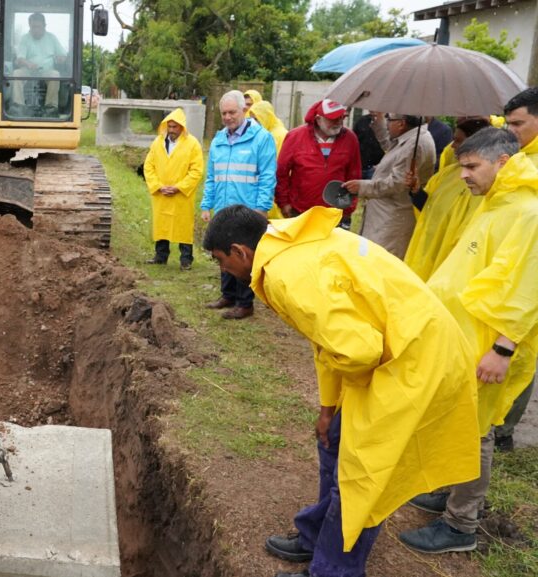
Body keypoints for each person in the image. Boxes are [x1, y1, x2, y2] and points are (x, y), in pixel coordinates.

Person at [202, 204, 479, 577]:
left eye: (221, 261)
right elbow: (328, 341)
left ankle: (333, 569)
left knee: (362, 474)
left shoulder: (288, 276)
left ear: (240, 251)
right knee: (333, 439)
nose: (223, 271)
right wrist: (329, 407)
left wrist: (352, 401)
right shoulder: (288, 244)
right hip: (396, 345)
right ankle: (317, 535)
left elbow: (357, 351)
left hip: (414, 361)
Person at [399, 127, 538, 554]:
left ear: (503, 162)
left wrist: (502, 349)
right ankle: (449, 488)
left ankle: (461, 524)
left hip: (487, 345)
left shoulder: (527, 212)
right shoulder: (497, 202)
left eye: (472, 167)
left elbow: (527, 288)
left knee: (476, 431)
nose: (464, 175)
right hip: (463, 337)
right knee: (455, 421)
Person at [201, 90, 277, 320]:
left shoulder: (261, 139)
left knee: (244, 257)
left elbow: (267, 177)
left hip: (247, 211)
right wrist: (206, 204)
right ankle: (228, 295)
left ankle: (245, 303)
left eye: (232, 112)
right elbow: (211, 177)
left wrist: (261, 208)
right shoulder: (219, 140)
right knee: (224, 253)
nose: (227, 117)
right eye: (224, 113)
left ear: (244, 110)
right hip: (223, 209)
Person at [494, 87, 538, 450]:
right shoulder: (520, 158)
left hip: (529, 274)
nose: (511, 131)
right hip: (508, 266)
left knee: (521, 351)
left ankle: (503, 430)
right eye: (507, 124)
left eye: (518, 124)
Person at [402, 117, 490, 281]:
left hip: (453, 259)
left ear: (475, 143)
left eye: (458, 141)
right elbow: (427, 208)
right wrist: (416, 190)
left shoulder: (485, 184)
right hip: (428, 250)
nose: (453, 146)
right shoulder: (446, 174)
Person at [344, 113, 435, 259]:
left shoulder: (416, 144)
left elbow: (397, 183)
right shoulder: (410, 138)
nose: (387, 123)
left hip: (393, 218)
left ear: (401, 124)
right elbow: (390, 146)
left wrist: (362, 187)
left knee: (380, 260)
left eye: (389, 119)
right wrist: (379, 121)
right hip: (384, 214)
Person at [275, 99, 361, 229]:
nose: (338, 122)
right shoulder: (295, 137)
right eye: (333, 119)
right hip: (300, 211)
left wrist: (349, 208)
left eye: (341, 118)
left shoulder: (350, 139)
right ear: (318, 119)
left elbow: (354, 175)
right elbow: (281, 172)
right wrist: (284, 203)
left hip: (335, 212)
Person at [143, 108, 204, 270]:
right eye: (169, 126)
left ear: (182, 127)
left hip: (181, 195)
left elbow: (196, 170)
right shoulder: (158, 143)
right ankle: (160, 256)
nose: (171, 130)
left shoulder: (192, 144)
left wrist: (179, 187)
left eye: (174, 127)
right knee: (162, 225)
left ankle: (186, 260)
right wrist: (158, 186)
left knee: (183, 226)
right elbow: (148, 166)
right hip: (161, 194)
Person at [10, 12, 66, 112]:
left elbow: (63, 55)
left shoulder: (52, 38)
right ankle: (19, 106)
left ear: (44, 26)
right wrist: (28, 64)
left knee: (55, 74)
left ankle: (50, 107)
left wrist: (60, 59)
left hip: (47, 71)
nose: (36, 30)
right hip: (28, 71)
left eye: (38, 27)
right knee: (16, 73)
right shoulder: (25, 38)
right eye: (33, 27)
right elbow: (20, 59)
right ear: (29, 26)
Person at [353, 112, 385, 179]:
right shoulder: (361, 121)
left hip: (377, 168)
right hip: (361, 166)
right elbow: (353, 141)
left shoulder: (387, 122)